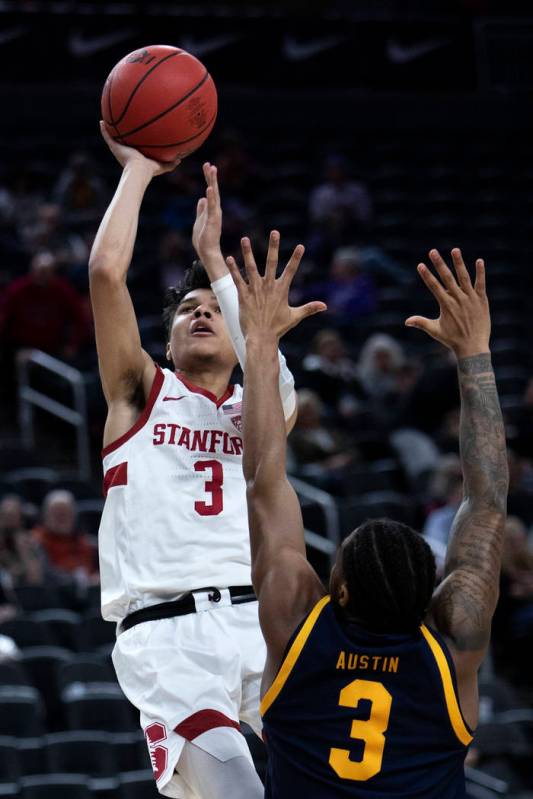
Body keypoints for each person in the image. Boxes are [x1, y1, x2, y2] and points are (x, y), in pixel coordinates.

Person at [227, 244, 508, 798]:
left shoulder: (298, 623)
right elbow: (488, 501)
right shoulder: (453, 643)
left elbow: (265, 482)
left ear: (343, 590)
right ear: (431, 590)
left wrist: (260, 344)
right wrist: (475, 353)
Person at [90, 123, 318, 799]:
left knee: (345, 778)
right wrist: (137, 168)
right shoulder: (140, 392)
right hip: (169, 635)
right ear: (163, 341)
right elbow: (105, 273)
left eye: (208, 308)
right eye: (184, 309)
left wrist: (215, 263)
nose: (198, 314)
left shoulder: (261, 407)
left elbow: (265, 357)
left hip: (263, 623)